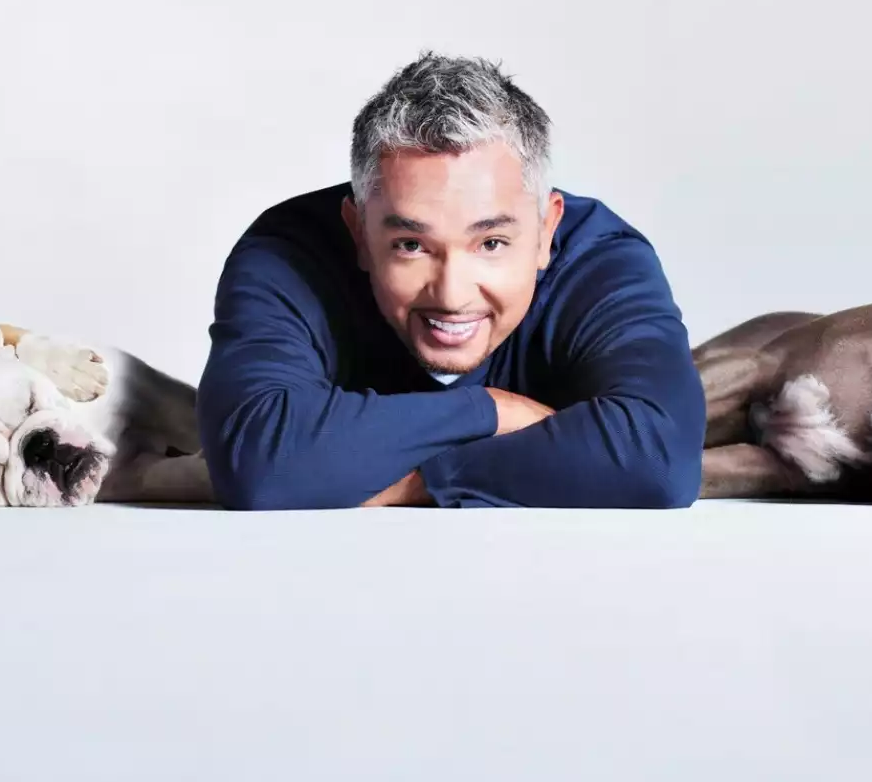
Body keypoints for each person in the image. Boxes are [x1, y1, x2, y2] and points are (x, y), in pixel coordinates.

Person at [196, 52, 705, 509]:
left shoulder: (601, 260)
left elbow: (656, 462)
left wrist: (410, 482)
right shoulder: (288, 251)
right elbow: (259, 466)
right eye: (411, 246)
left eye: (491, 244)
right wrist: (493, 411)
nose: (452, 295)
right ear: (359, 231)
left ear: (547, 230)